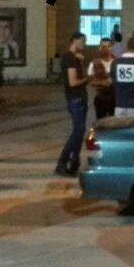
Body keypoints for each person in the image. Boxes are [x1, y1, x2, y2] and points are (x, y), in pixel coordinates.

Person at [55, 32, 89, 177]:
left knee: (80, 132)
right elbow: (73, 82)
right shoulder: (69, 59)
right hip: (75, 98)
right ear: (75, 40)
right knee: (78, 130)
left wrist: (80, 63)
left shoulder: (75, 58)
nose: (84, 43)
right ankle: (62, 162)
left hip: (79, 98)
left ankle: (74, 162)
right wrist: (87, 79)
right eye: (82, 41)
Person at [87, 39, 115, 120]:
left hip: (115, 99)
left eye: (108, 46)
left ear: (112, 47)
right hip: (100, 99)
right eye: (103, 46)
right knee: (101, 123)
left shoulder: (118, 62)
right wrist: (102, 83)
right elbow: (90, 81)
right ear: (100, 48)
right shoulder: (93, 63)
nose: (106, 49)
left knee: (114, 123)